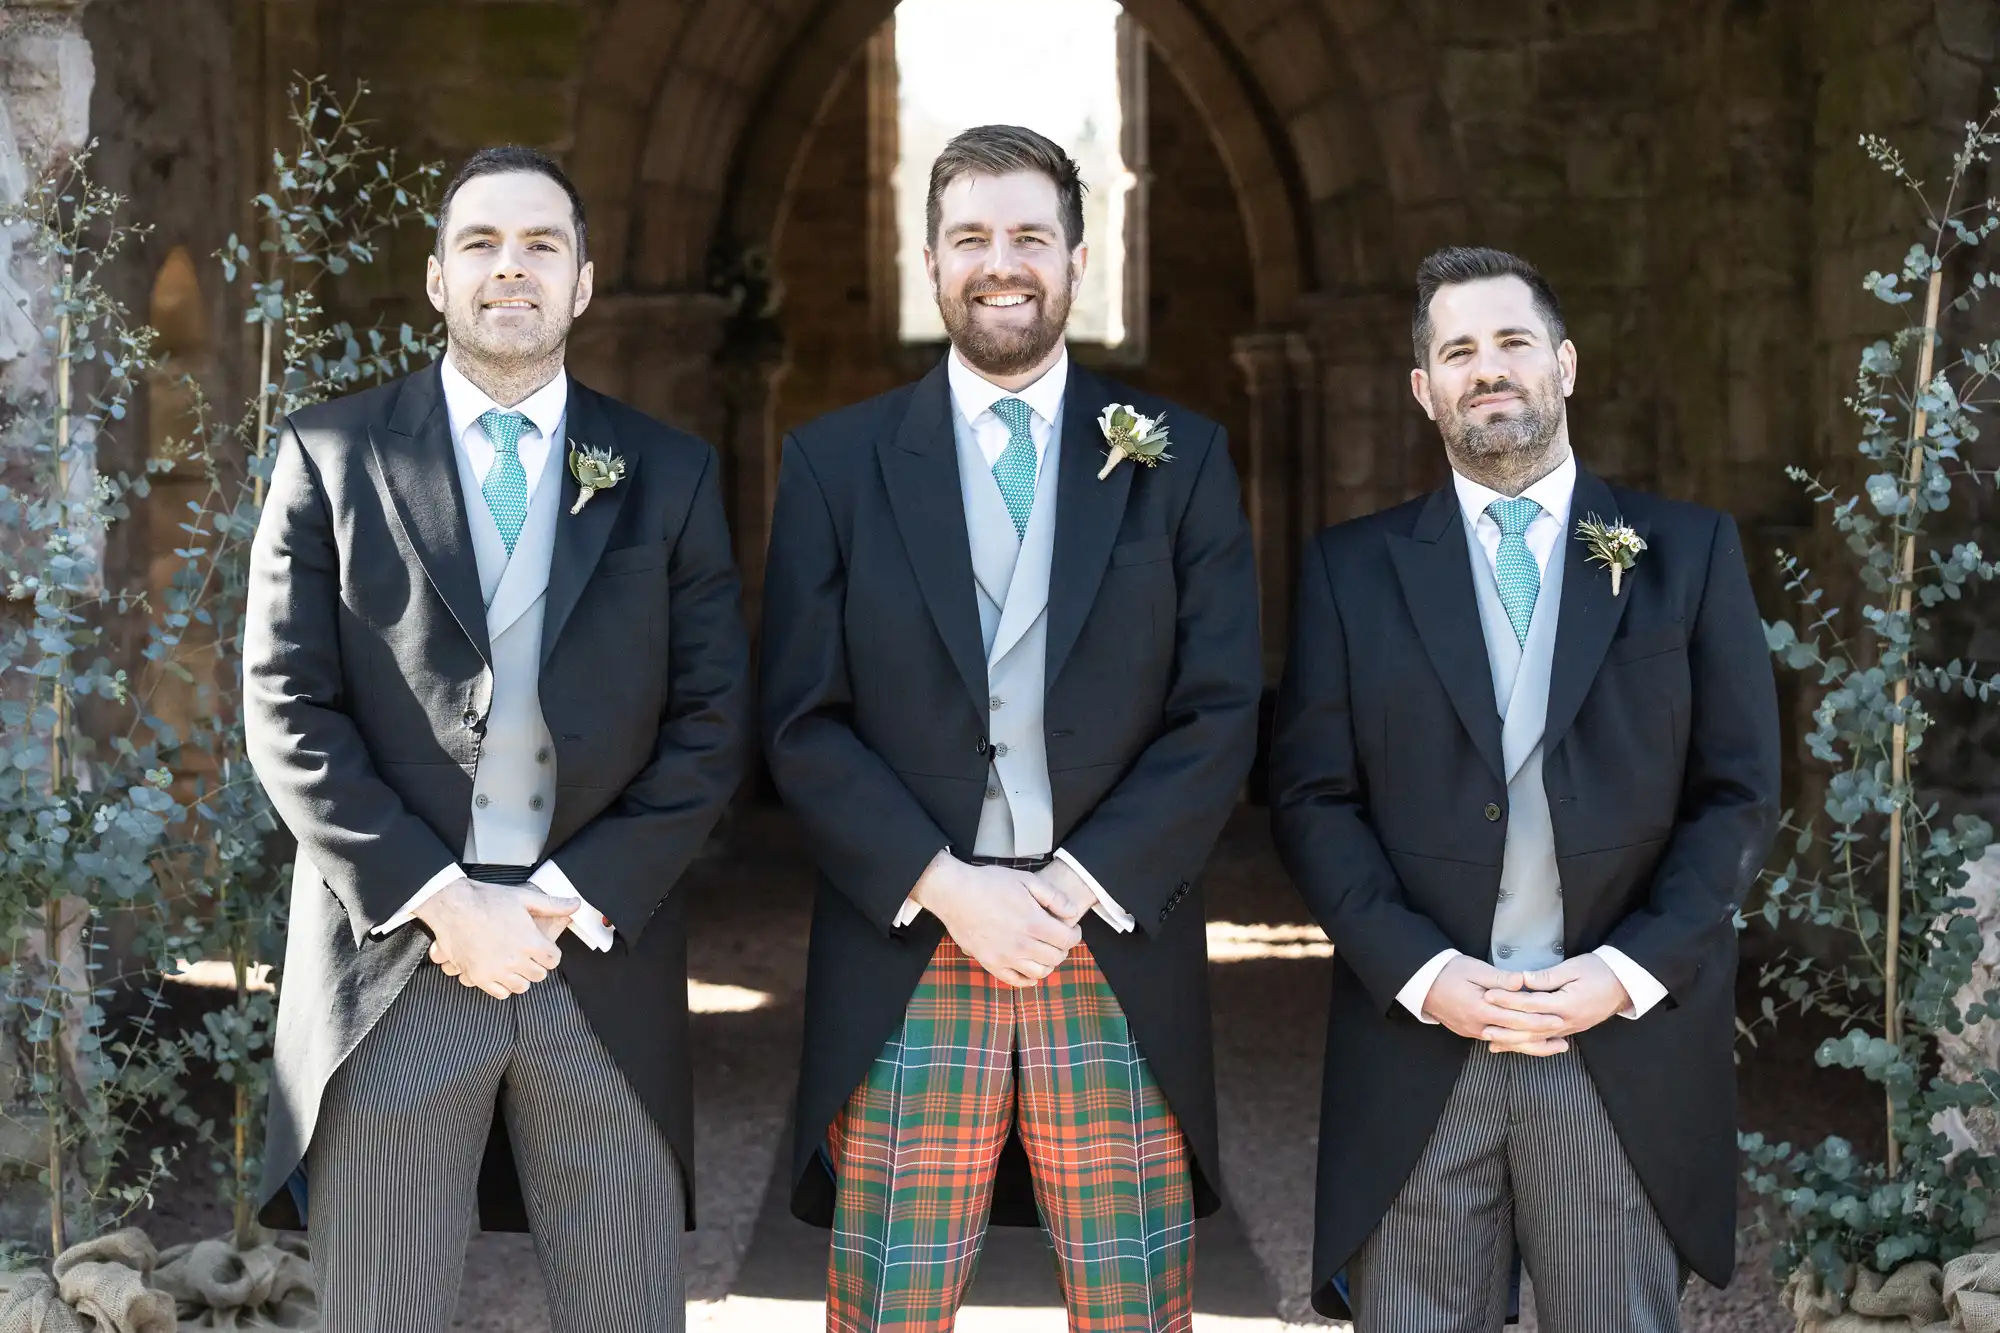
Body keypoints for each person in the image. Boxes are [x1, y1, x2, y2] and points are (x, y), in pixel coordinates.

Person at [759, 124, 1262, 1331]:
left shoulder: (1181, 459)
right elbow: (799, 720)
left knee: (1134, 1305)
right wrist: (943, 882)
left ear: (1076, 259)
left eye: (1029, 235)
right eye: (972, 237)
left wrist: (1081, 881)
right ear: (929, 261)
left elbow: (1219, 705)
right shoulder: (834, 465)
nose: (1002, 262)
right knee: (888, 1304)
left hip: (1109, 943)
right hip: (914, 947)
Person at [244, 145, 748, 1333]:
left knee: (625, 1312)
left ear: (581, 284)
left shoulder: (668, 474)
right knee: (381, 1315)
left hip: (600, 968)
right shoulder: (334, 452)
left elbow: (714, 718)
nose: (508, 269)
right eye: (479, 244)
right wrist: (436, 895)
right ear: (434, 279)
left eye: (540, 246)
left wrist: (574, 892)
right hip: (392, 971)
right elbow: (286, 704)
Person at [1269, 245, 1781, 1332]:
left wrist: (1627, 971)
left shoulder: (1683, 553)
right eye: (1456, 350)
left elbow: (1735, 796)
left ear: (1564, 363)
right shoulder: (1347, 571)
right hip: (1419, 1047)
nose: (1485, 368)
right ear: (1423, 389)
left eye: (1509, 342)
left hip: (1611, 1047)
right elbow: (1313, 799)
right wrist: (1416, 971)